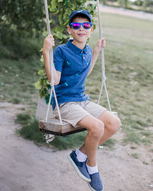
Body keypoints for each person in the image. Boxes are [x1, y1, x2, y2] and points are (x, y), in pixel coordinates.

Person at [43, 10, 121, 191]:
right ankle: (92, 168)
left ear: (91, 30)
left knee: (114, 123)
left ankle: (79, 155)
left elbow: (86, 71)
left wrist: (95, 52)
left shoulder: (86, 50)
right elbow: (54, 80)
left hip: (81, 100)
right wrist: (47, 52)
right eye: (76, 25)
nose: (81, 29)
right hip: (64, 103)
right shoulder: (62, 51)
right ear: (70, 30)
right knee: (98, 126)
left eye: (86, 25)